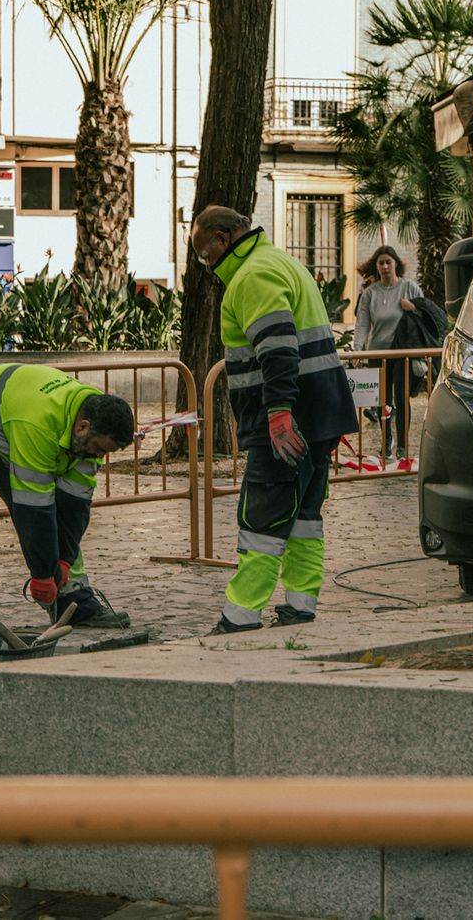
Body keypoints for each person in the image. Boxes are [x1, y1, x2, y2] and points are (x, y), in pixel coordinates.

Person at [189, 205, 357, 633]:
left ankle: (240, 614)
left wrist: (278, 413)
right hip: (320, 416)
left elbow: (278, 349)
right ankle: (300, 605)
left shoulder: (253, 276)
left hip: (287, 422)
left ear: (224, 239)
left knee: (261, 519)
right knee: (303, 515)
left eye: (206, 255)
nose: (207, 267)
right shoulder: (281, 261)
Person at [0, 362, 138, 635]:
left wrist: (61, 563)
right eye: (99, 449)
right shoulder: (38, 423)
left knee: (57, 508)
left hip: (0, 427)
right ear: (82, 427)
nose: (99, 457)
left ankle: (73, 600)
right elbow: (33, 508)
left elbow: (73, 508)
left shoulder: (89, 430)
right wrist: (42, 576)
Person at [353, 245, 422, 470]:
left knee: (401, 399)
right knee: (383, 401)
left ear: (396, 264)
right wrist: (358, 349)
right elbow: (362, 323)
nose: (384, 266)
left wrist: (411, 307)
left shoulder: (409, 288)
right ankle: (387, 441)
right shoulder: (370, 294)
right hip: (378, 353)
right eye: (380, 263)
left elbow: (429, 313)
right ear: (376, 266)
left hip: (402, 352)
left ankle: (402, 445)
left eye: (388, 262)